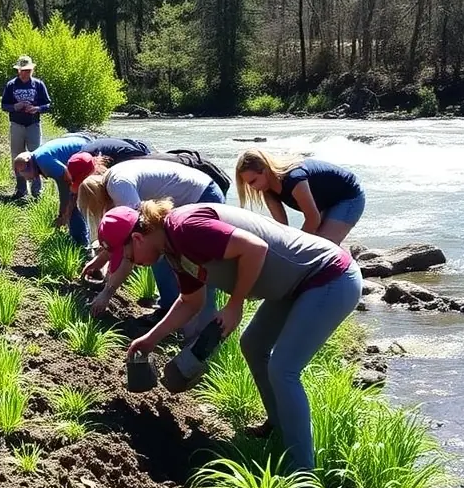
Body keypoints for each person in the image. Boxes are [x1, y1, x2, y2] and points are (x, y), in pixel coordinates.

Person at [105, 200, 362, 471]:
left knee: (284, 369)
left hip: (328, 276)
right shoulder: (171, 249)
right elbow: (191, 301)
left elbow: (254, 248)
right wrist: (150, 340)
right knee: (253, 344)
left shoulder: (185, 228)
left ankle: (302, 471)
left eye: (131, 258)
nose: (136, 265)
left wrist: (235, 304)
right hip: (294, 285)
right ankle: (278, 424)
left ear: (137, 238)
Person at [78, 158, 225, 326]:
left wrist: (107, 293)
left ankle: (205, 325)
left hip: (202, 196)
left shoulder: (118, 187)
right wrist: (101, 259)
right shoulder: (114, 179)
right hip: (196, 193)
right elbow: (132, 240)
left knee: (186, 263)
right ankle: (172, 310)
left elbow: (133, 242)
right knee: (156, 252)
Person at [235, 149, 365, 244]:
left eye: (253, 181)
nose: (253, 188)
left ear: (266, 170)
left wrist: (297, 244)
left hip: (348, 196)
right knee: (316, 245)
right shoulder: (267, 189)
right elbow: (282, 227)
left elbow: (313, 219)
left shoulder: (294, 179)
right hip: (325, 200)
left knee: (324, 247)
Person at [13, 133, 93, 246]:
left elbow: (65, 184)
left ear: (29, 164)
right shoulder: (39, 157)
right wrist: (63, 212)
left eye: (24, 174)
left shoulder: (44, 161)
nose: (26, 178)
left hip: (87, 152)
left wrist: (62, 213)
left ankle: (81, 243)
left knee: (74, 201)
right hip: (83, 143)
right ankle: (78, 237)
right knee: (71, 201)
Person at [2, 55, 52, 200]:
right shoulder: (11, 85)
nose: (26, 72)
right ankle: (20, 189)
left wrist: (36, 108)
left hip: (33, 125)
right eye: (23, 70)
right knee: (17, 157)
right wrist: (15, 107)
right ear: (18, 71)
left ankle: (37, 191)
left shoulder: (38, 84)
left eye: (28, 70)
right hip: (17, 125)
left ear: (32, 70)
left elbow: (47, 104)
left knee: (36, 156)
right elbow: (4, 105)